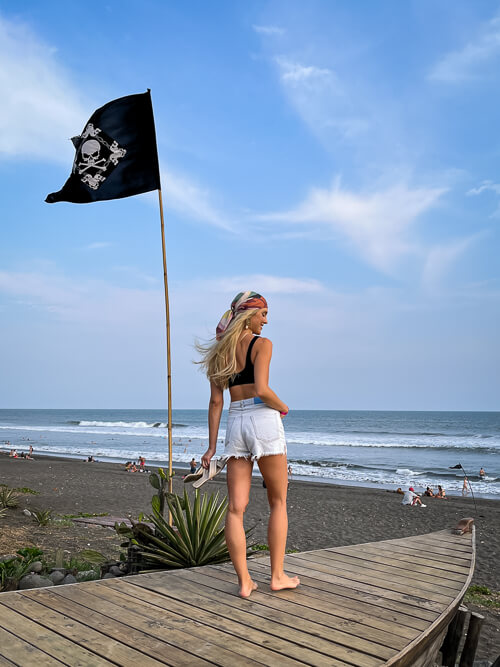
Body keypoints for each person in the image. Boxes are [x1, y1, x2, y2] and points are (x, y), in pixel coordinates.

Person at [196, 291, 299, 598]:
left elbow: (216, 402)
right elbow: (263, 389)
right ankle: (277, 576)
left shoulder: (219, 352)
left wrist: (211, 448)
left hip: (235, 421)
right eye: (263, 314)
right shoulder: (262, 345)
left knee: (236, 508)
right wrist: (283, 407)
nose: (265, 321)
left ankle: (245, 582)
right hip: (262, 419)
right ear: (248, 314)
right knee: (278, 501)